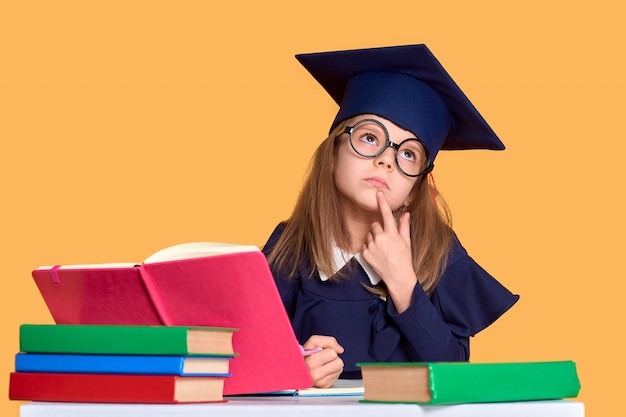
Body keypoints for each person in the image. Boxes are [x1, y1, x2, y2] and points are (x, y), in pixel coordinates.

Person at [262, 44, 519, 388]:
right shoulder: (291, 247)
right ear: (334, 154)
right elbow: (256, 359)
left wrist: (402, 281)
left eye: (408, 154)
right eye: (370, 137)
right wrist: (294, 370)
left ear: (415, 186)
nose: (385, 160)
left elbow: (453, 375)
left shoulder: (438, 250)